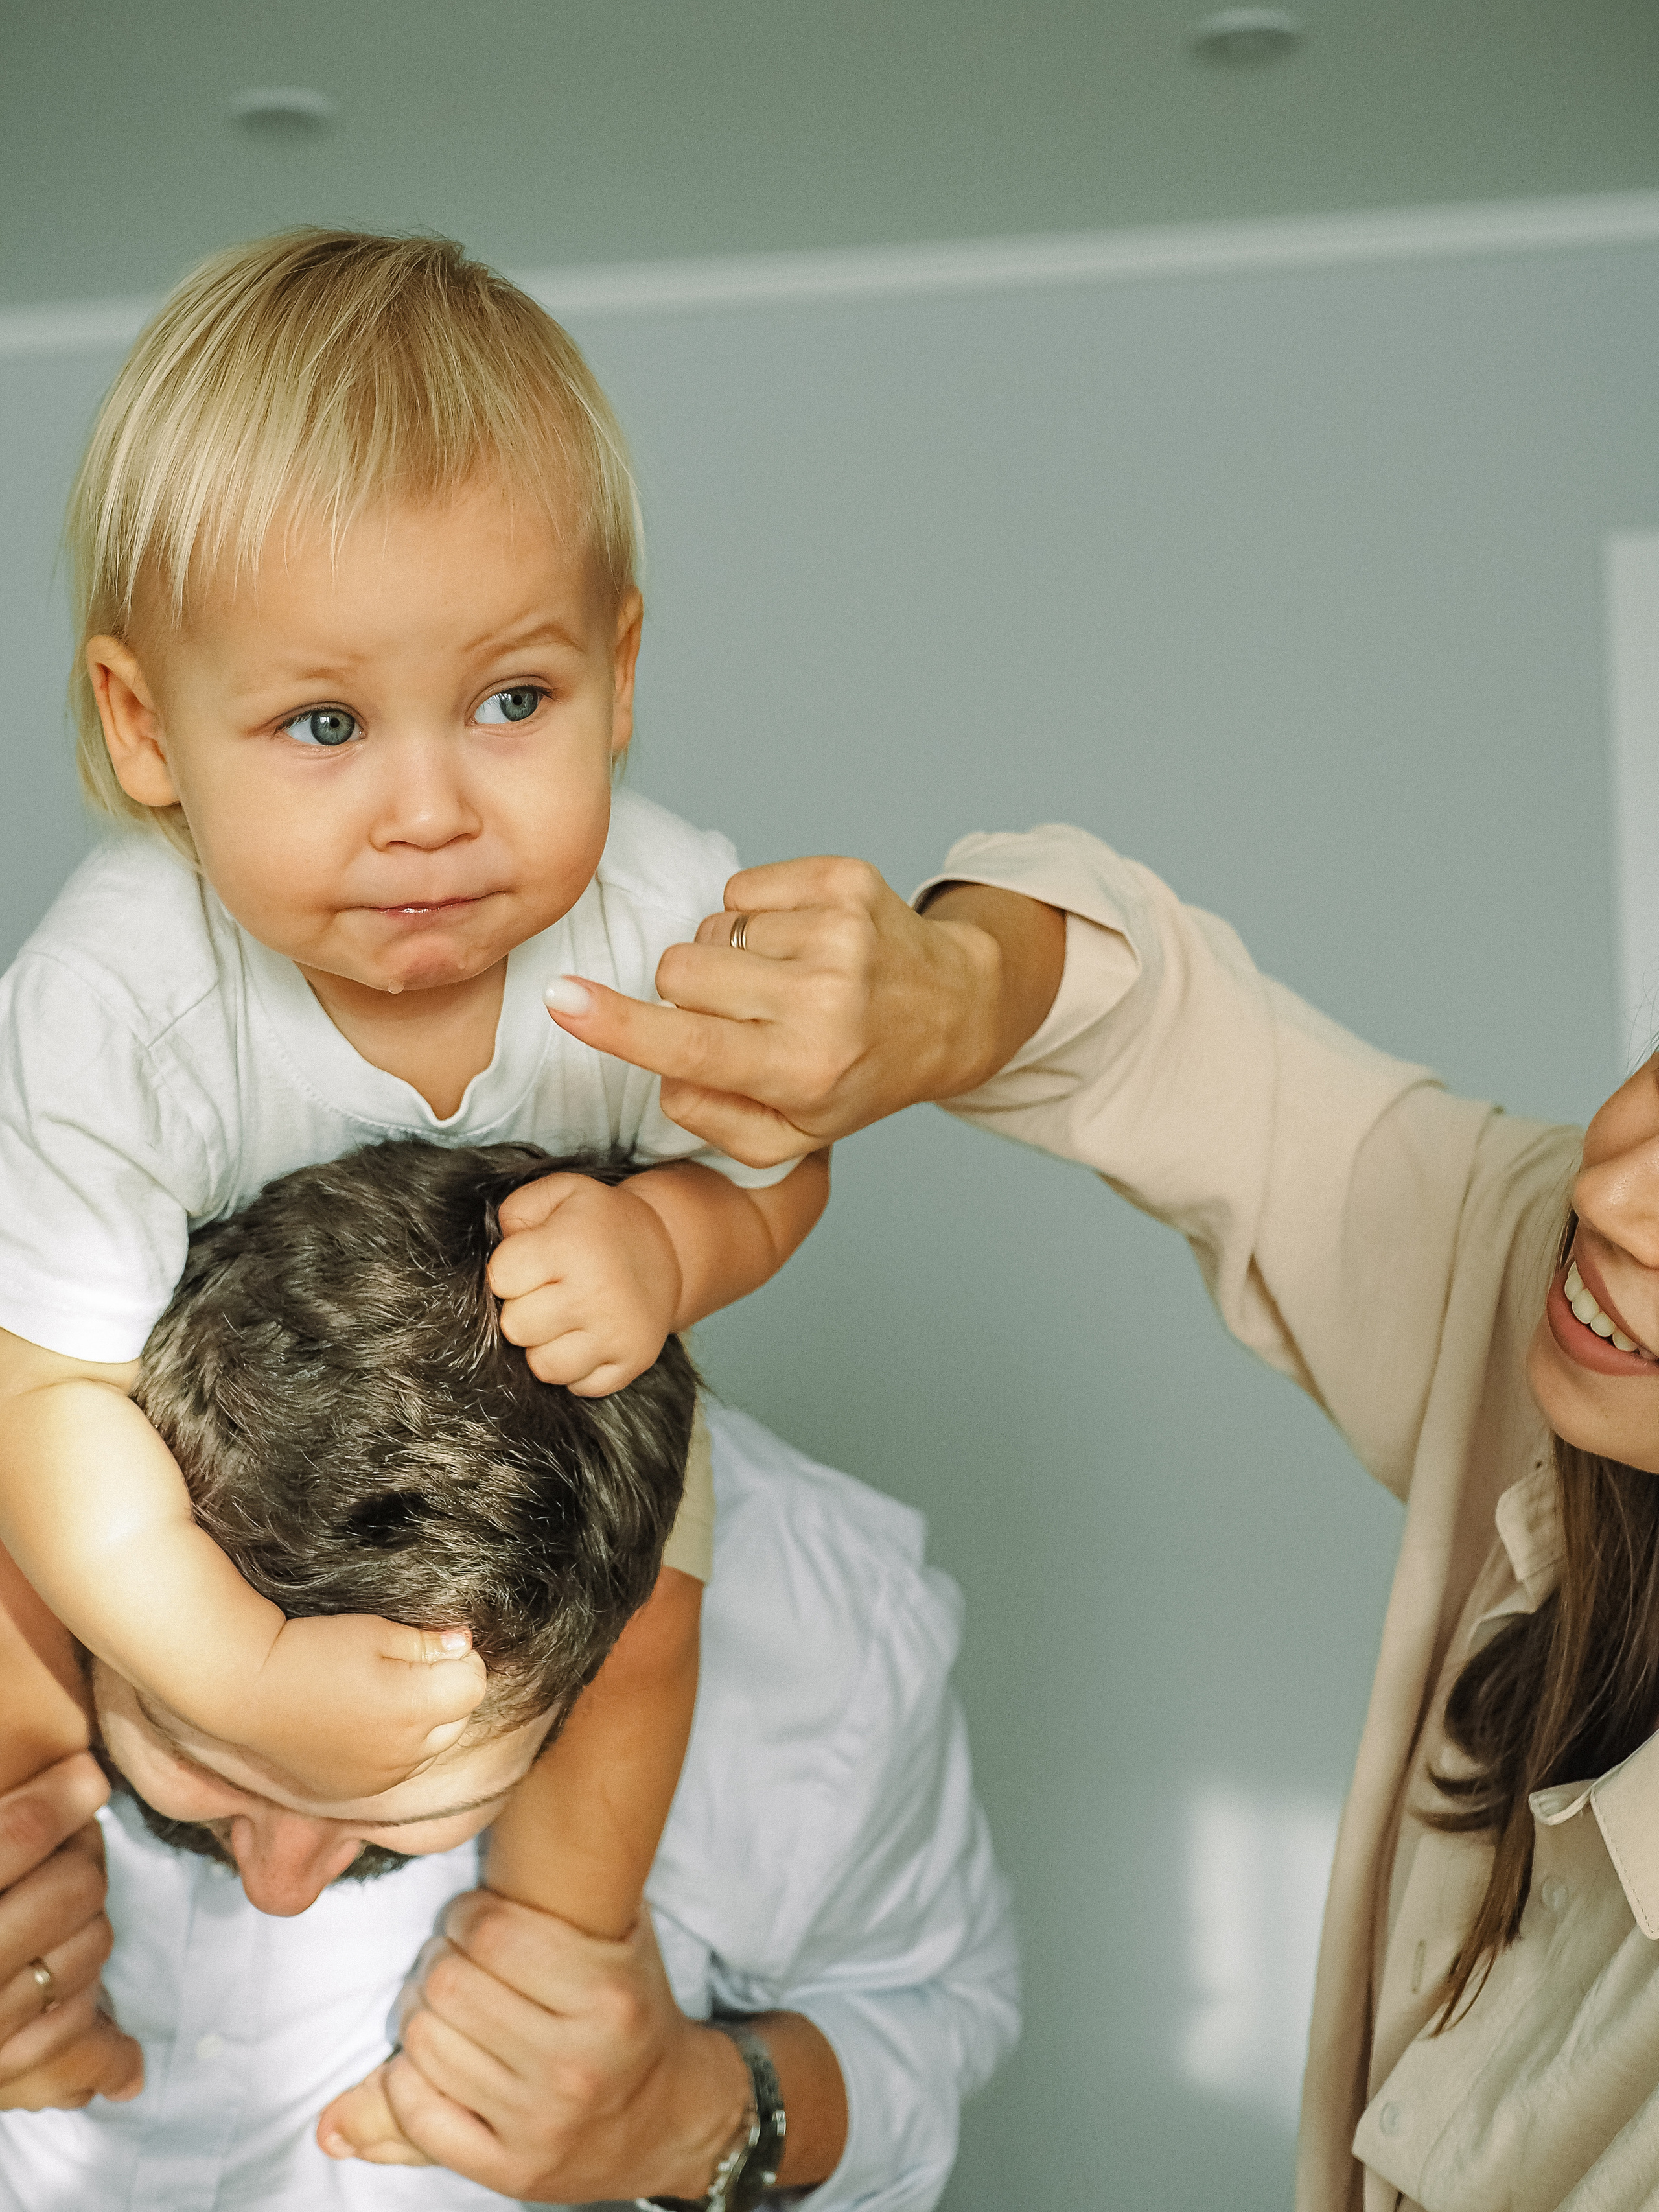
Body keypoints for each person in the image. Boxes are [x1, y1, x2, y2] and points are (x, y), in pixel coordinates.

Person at [0, 230, 831, 2154]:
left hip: (545, 1406)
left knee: (646, 1625)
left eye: (512, 699)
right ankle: (46, 1988)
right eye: (322, 725)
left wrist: (672, 1238)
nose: (433, 807)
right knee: (29, 1633)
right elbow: (44, 1405)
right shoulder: (116, 990)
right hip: (151, 1395)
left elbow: (782, 1164)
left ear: (621, 670)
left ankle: (540, 1971)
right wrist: (239, 1673)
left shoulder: (664, 914)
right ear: (146, 732)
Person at [539, 824, 1659, 2210]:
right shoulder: (1555, 1281)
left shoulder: (834, 1633)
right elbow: (1175, 1046)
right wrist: (949, 988)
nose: (1608, 1198)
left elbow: (918, 2029)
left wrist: (702, 2113)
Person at [0, 1139, 1018, 2209]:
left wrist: (699, 2117)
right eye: (191, 1747)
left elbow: (943, 2011)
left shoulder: (826, 1637)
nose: (281, 1882)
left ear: (602, 1662)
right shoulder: (55, 1453)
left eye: (410, 1807)